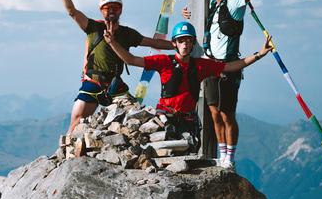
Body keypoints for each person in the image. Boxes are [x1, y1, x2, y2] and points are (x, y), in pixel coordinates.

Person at [104, 20, 273, 163]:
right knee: (168, 158)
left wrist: (259, 54)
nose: (185, 44)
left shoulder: (200, 65)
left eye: (188, 41)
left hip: (188, 121)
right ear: (174, 44)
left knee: (186, 158)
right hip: (165, 119)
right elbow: (131, 60)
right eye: (181, 40)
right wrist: (112, 43)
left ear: (193, 43)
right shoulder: (164, 61)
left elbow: (230, 66)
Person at [182, 0, 281, 168]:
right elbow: (201, 23)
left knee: (228, 115)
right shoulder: (207, 8)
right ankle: (222, 154)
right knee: (214, 114)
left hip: (228, 67)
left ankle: (230, 158)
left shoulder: (235, 2)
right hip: (209, 67)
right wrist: (190, 14)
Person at [52, 0, 171, 134]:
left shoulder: (127, 34)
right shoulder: (93, 28)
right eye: (108, 8)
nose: (112, 11)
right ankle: (66, 151)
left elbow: (154, 43)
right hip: (93, 81)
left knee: (134, 115)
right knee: (77, 119)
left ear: (120, 9)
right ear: (102, 11)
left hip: (114, 84)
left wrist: (178, 45)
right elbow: (72, 12)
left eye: (115, 7)